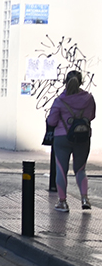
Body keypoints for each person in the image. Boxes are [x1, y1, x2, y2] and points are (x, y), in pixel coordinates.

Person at [46, 70, 95, 212]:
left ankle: (62, 202)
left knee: (61, 169)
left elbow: (52, 121)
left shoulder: (60, 101)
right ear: (81, 82)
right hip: (83, 137)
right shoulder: (89, 98)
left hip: (62, 138)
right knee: (80, 169)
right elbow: (91, 116)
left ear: (65, 82)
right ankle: (85, 199)